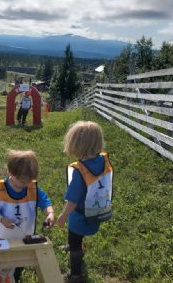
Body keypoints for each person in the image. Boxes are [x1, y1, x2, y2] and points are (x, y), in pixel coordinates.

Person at [57, 121, 113, 283]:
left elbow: (73, 201)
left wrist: (62, 216)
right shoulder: (104, 161)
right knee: (77, 238)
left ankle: (75, 275)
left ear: (77, 145)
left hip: (80, 217)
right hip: (97, 212)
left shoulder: (80, 171)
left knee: (74, 242)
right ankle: (74, 245)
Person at [0, 150, 55, 283]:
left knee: (19, 263)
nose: (25, 184)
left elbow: (45, 201)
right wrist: (1, 219)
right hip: (0, 237)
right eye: (22, 181)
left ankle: (15, 278)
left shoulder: (32, 187)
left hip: (24, 238)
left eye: (29, 181)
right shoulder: (0, 188)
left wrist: (50, 213)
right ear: (10, 173)